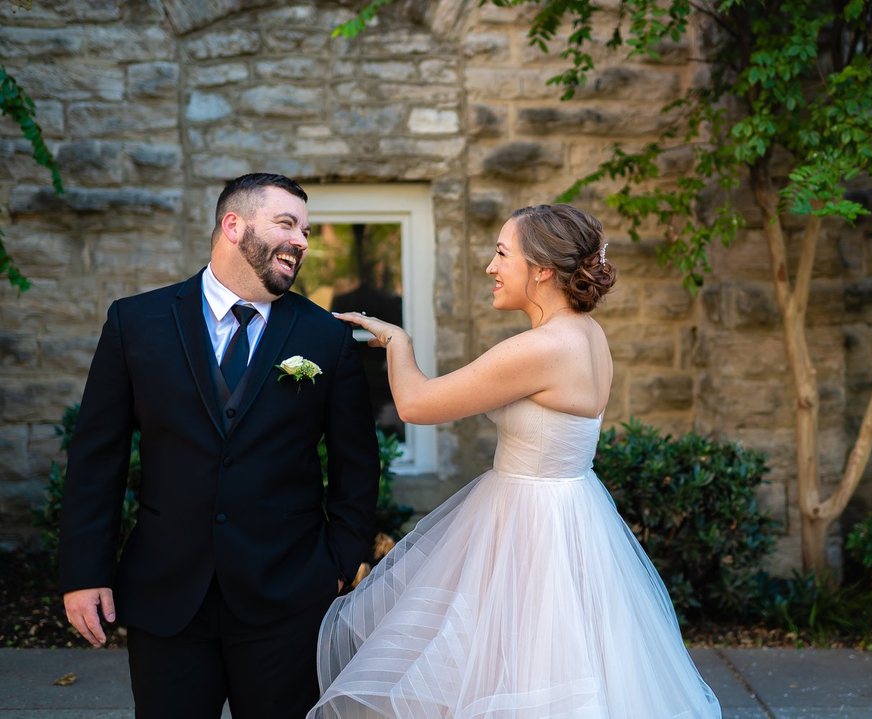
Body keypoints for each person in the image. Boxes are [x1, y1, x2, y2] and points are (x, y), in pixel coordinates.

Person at [314, 204, 722, 717]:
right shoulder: (589, 334)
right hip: (573, 514)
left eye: (503, 254)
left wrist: (397, 339)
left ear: (543, 269)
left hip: (530, 527)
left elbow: (416, 405)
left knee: (521, 668)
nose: (491, 266)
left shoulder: (538, 348)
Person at [59, 173, 382, 719]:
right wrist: (85, 573)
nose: (302, 241)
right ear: (234, 226)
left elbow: (358, 463)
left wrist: (336, 564)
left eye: (306, 230)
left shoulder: (324, 336)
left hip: (288, 597)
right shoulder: (136, 322)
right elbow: (97, 458)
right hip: (167, 594)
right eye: (287, 224)